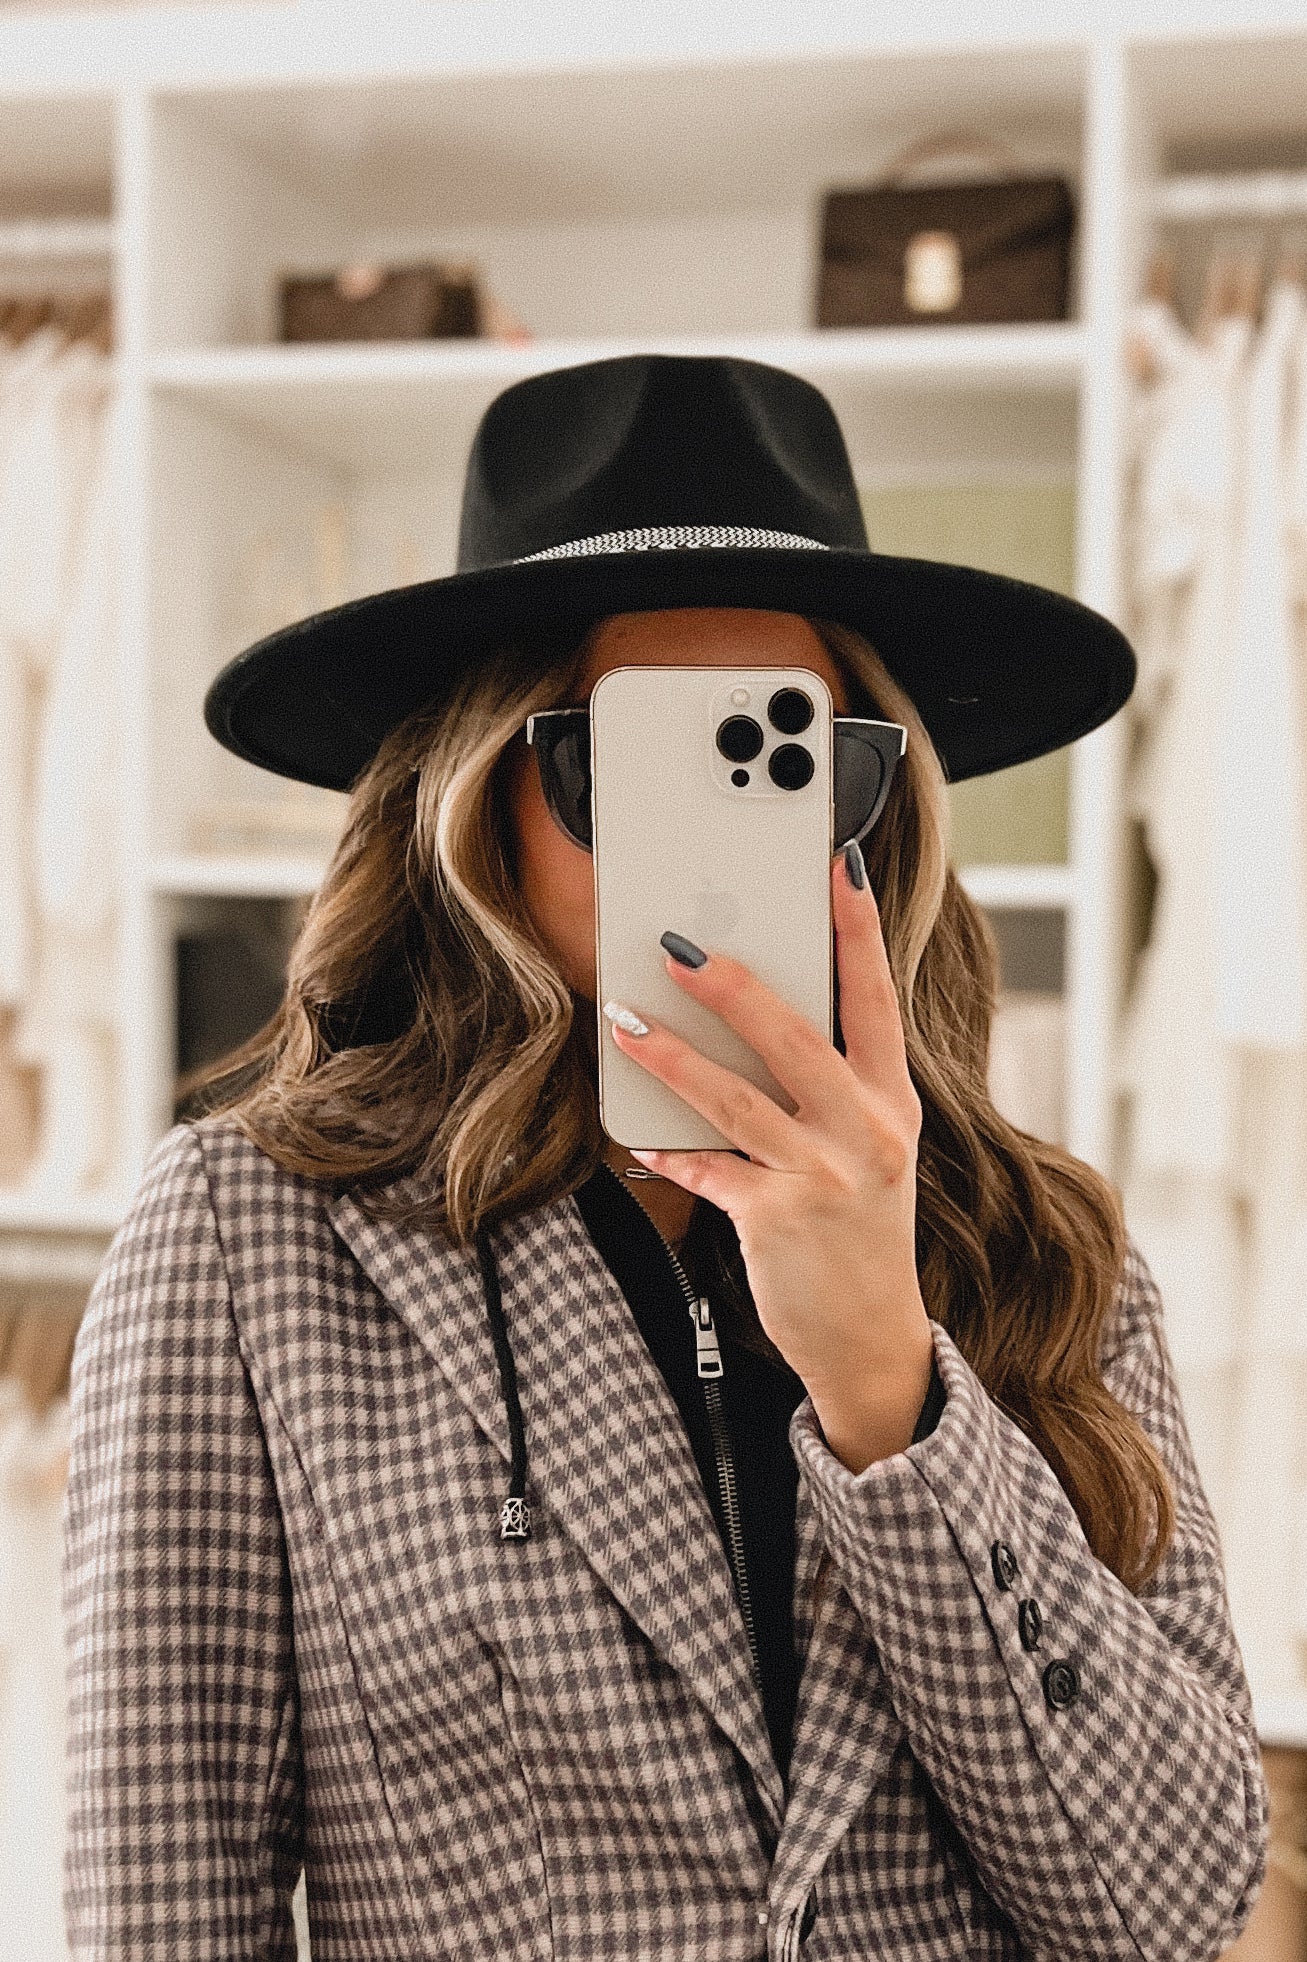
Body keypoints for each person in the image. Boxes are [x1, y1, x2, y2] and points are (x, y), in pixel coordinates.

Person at [62, 354, 1269, 1960]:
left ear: (878, 805)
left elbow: (1172, 1907)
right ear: (476, 796)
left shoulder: (1037, 1246)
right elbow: (163, 1911)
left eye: (790, 758)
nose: (714, 841)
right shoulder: (251, 1240)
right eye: (628, 765)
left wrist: (892, 1389)